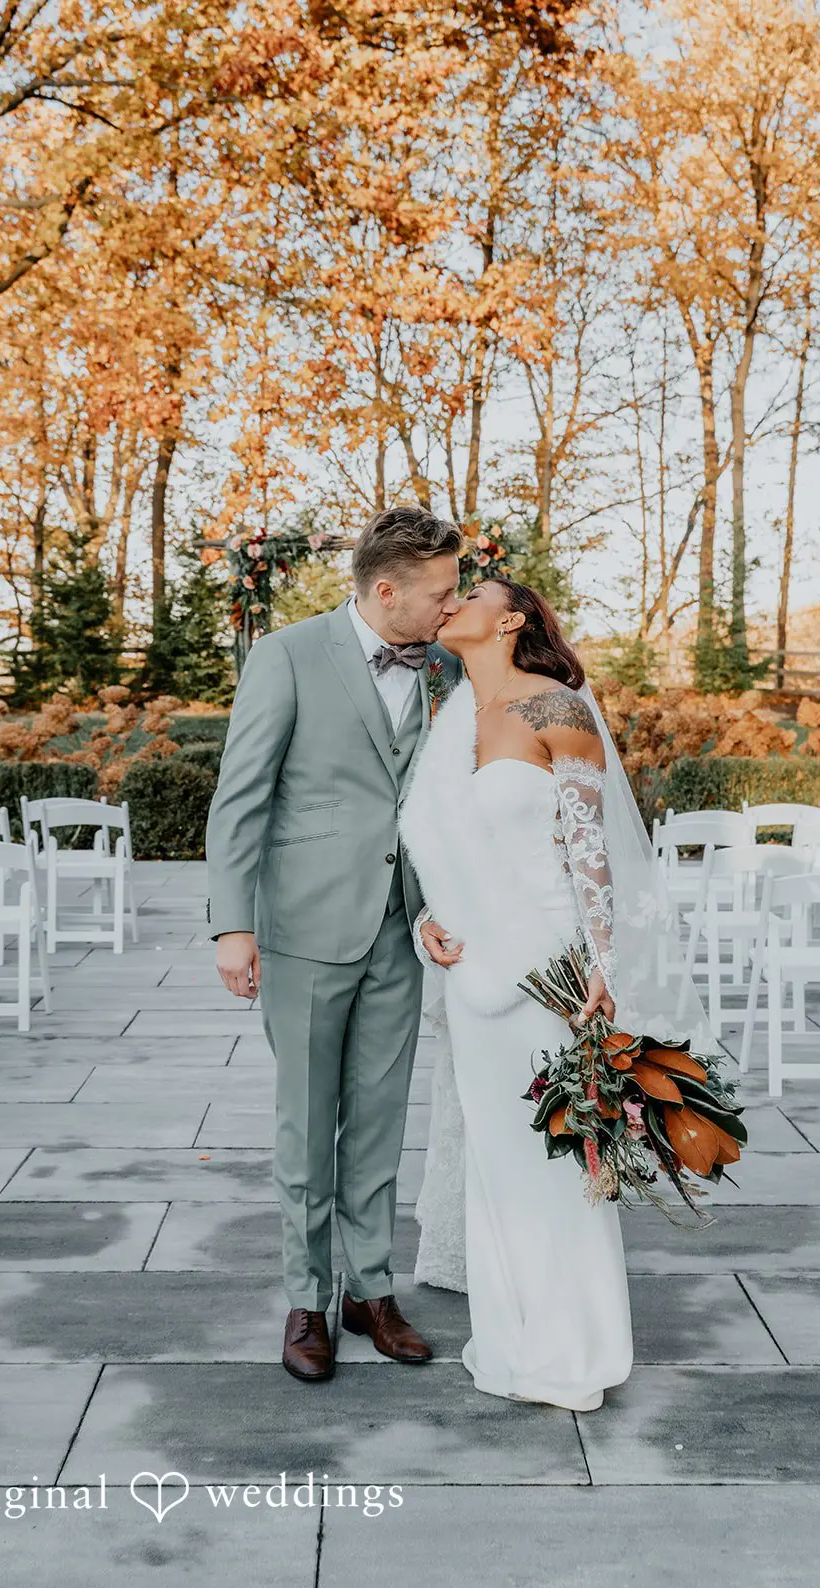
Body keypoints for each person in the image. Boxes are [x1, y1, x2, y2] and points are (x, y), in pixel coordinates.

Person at [205, 506, 464, 1382]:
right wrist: (232, 926)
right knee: (307, 1125)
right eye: (439, 593)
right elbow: (240, 796)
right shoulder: (286, 655)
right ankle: (307, 1299)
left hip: (399, 928)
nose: (450, 606)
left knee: (380, 1124)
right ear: (385, 590)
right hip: (306, 929)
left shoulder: (440, 667)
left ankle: (372, 1290)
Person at [398, 578, 637, 1409]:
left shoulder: (554, 708)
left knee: (550, 1156)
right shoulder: (452, 717)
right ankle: (510, 1336)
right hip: (471, 972)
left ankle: (573, 1349)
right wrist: (429, 919)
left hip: (545, 968)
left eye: (468, 595)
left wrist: (603, 965)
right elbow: (449, 848)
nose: (448, 604)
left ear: (509, 620)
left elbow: (589, 851)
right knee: (495, 1160)